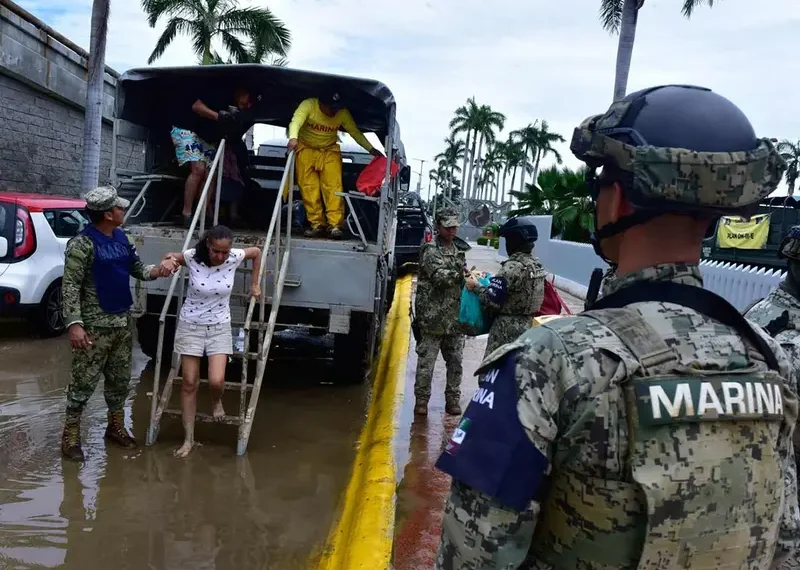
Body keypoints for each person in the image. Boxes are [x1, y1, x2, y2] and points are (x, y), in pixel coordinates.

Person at [433, 84, 800, 569]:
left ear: (617, 202)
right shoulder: (771, 358)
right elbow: (785, 540)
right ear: (713, 216)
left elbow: (472, 554)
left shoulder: (550, 360)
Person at [61, 186, 175, 461]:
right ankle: (70, 436)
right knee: (82, 383)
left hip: (121, 323)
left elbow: (138, 269)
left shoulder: (123, 238)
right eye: (120, 208)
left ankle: (115, 427)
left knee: (119, 381)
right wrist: (74, 324)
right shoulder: (82, 244)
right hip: (93, 327)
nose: (124, 211)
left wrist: (160, 270)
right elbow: (70, 286)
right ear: (109, 214)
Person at [161, 225, 262, 458]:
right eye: (216, 251)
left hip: (219, 326)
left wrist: (254, 284)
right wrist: (168, 261)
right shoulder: (192, 257)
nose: (220, 257)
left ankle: (216, 401)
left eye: (224, 252)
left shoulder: (234, 257)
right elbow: (170, 257)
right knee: (188, 382)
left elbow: (256, 252)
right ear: (207, 246)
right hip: (190, 325)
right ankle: (188, 439)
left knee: (217, 380)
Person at [286, 90, 383, 239]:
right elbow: (296, 121)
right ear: (321, 104)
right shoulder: (309, 105)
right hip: (306, 149)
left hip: (329, 150)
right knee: (308, 188)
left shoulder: (342, 113)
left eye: (337, 107)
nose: (334, 111)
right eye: (331, 108)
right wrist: (293, 138)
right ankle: (317, 224)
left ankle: (335, 226)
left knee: (333, 187)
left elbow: (355, 132)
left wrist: (371, 149)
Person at [413, 207, 471, 417]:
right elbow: (439, 276)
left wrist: (471, 276)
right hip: (432, 318)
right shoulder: (430, 250)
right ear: (438, 227)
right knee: (426, 364)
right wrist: (461, 276)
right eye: (447, 227)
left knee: (455, 362)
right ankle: (421, 402)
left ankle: (452, 400)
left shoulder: (459, 249)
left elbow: (462, 274)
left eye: (454, 227)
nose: (452, 231)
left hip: (454, 318)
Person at [171, 87, 255, 227]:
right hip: (186, 129)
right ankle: (186, 214)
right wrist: (219, 117)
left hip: (207, 138)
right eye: (249, 99)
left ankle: (203, 214)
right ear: (241, 92)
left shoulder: (240, 111)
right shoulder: (220, 93)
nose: (249, 105)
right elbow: (196, 106)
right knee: (198, 169)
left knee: (211, 174)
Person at [465, 216, 546, 357]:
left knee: (492, 373)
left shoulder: (511, 267)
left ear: (514, 241)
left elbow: (491, 299)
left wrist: (476, 286)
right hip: (528, 327)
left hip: (506, 330)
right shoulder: (536, 265)